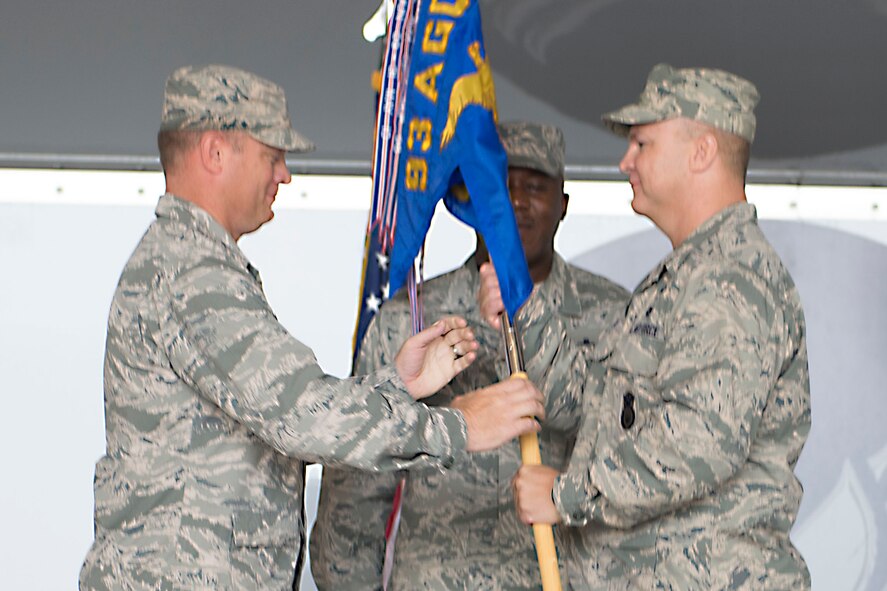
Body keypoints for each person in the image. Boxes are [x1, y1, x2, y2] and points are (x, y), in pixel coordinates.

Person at [78, 64, 547, 591]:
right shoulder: (190, 273)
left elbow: (277, 406)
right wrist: (458, 425)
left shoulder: (192, 262)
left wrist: (395, 388)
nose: (284, 175)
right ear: (215, 153)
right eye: (272, 155)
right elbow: (301, 415)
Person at [501, 64, 812, 589]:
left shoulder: (729, 278)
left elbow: (699, 442)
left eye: (642, 144)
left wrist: (566, 495)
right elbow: (593, 408)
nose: (626, 161)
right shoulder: (686, 274)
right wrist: (524, 309)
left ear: (702, 152)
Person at [310, 121, 629, 590]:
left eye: (535, 187)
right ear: (467, 201)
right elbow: (358, 480)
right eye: (497, 186)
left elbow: (630, 460)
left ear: (562, 205)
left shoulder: (617, 315)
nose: (515, 201)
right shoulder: (412, 317)